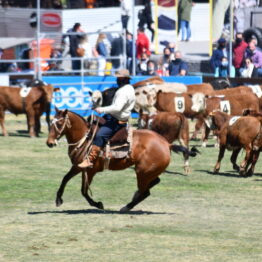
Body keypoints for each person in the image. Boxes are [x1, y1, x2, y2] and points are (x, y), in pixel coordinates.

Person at [78, 69, 136, 168]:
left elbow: (117, 107)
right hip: (115, 117)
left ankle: (90, 159)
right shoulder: (128, 88)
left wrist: (102, 109)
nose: (117, 79)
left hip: (117, 121)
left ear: (123, 78)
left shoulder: (123, 92)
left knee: (100, 134)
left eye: (119, 77)